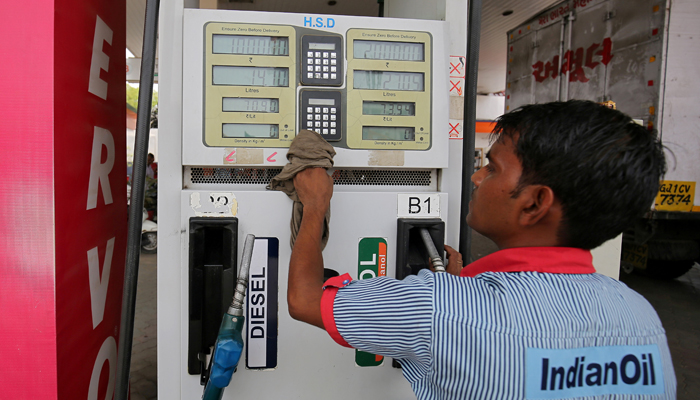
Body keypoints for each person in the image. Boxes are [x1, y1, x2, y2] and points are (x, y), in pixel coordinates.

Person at [288, 100, 676, 399]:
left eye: (491, 168)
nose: (475, 177)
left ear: (535, 203)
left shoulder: (438, 307)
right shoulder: (641, 319)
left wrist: (315, 206)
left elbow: (304, 299)